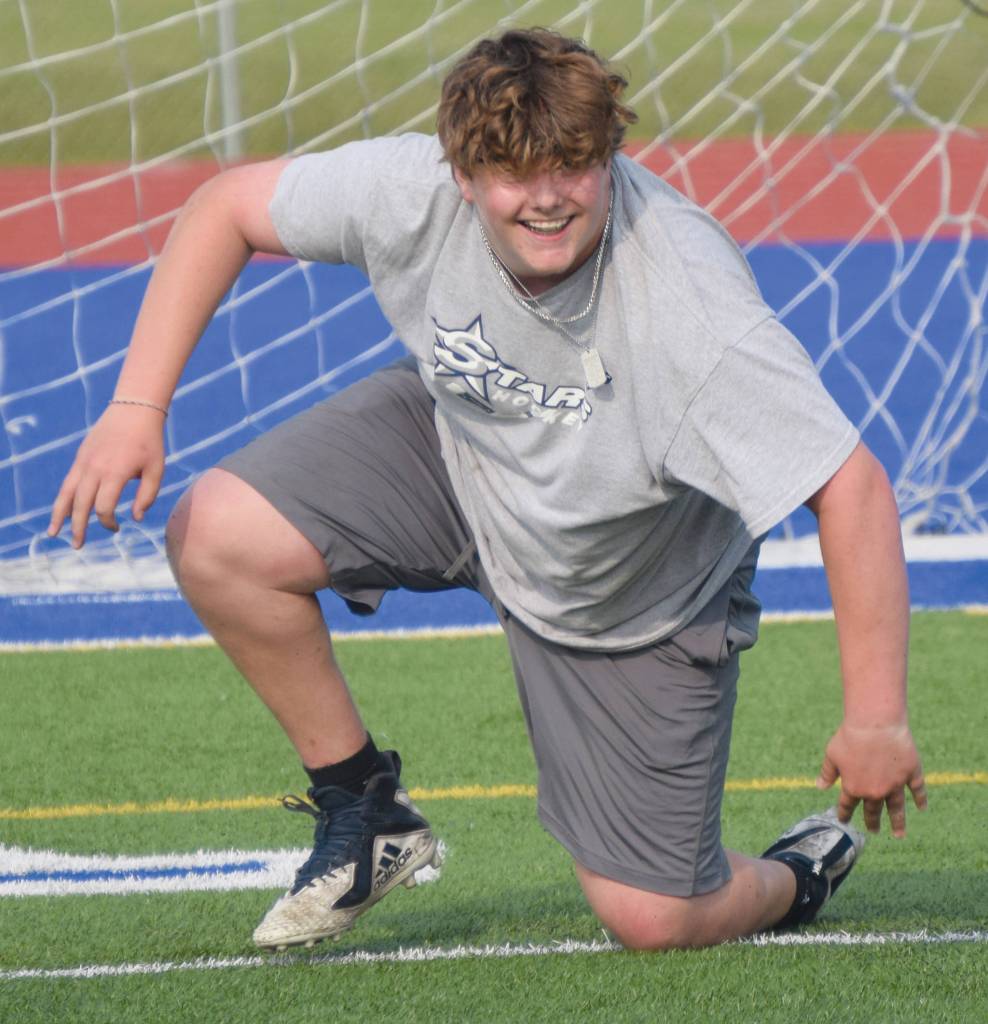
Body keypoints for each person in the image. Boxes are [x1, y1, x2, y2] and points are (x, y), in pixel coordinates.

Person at [48, 28, 927, 952]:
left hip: (631, 592)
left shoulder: (690, 305)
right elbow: (224, 206)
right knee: (215, 535)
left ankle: (795, 874)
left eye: (573, 167)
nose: (546, 199)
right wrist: (136, 407)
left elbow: (851, 485)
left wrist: (875, 717)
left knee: (657, 920)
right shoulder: (410, 190)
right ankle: (365, 814)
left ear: (609, 157)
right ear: (462, 175)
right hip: (462, 455)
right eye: (513, 173)